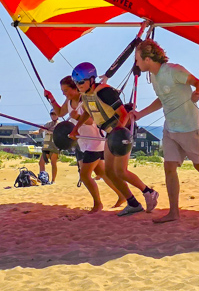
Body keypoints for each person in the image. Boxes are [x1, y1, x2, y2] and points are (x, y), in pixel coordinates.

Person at [131, 40, 199, 223]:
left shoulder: (174, 70)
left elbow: (198, 83)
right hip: (170, 128)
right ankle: (173, 212)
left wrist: (197, 93)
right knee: (169, 167)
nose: (136, 64)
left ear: (148, 59)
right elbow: (162, 100)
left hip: (188, 127)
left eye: (137, 60)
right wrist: (140, 114)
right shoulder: (153, 76)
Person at [68, 62, 159, 217]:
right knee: (110, 172)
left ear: (91, 80)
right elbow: (89, 112)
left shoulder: (105, 92)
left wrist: (118, 134)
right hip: (112, 133)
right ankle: (133, 203)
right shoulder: (86, 95)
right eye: (76, 83)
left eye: (81, 82)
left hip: (123, 131)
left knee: (121, 171)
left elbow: (123, 114)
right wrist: (76, 128)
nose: (78, 86)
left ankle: (149, 192)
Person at [45, 76, 125, 212]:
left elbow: (92, 120)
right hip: (83, 141)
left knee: (85, 175)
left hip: (94, 140)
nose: (64, 93)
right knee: (102, 172)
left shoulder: (86, 99)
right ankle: (122, 195)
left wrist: (77, 118)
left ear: (75, 88)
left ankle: (98, 204)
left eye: (66, 90)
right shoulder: (69, 101)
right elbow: (59, 113)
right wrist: (51, 98)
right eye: (62, 91)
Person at [36, 110, 59, 183]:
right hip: (46, 146)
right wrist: (33, 132)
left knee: (53, 163)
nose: (53, 115)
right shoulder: (48, 124)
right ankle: (43, 178)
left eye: (55, 114)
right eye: (52, 114)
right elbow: (40, 130)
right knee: (41, 162)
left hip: (54, 146)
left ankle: (53, 180)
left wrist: (52, 131)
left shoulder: (60, 124)